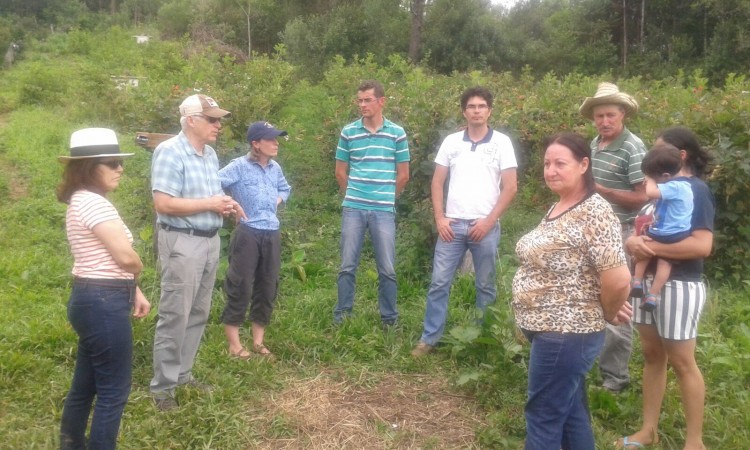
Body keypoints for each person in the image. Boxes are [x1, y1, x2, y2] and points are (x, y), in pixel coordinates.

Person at [512, 132, 632, 450]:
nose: (551, 170)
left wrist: (606, 310)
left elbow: (618, 279)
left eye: (560, 163)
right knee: (571, 413)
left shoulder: (596, 212)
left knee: (543, 417)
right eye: (547, 163)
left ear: (583, 165)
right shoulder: (561, 205)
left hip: (566, 332)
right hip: (554, 331)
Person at [617, 127, 714, 450]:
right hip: (646, 285)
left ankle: (694, 442)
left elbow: (702, 245)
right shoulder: (660, 189)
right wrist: (633, 242)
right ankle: (648, 429)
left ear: (680, 156)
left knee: (683, 361)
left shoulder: (695, 190)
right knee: (652, 354)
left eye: (660, 150)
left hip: (679, 285)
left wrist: (652, 250)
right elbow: (643, 231)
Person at [149, 94, 245, 411]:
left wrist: (227, 203)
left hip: (209, 240)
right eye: (212, 119)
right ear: (191, 120)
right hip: (182, 241)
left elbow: (211, 193)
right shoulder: (169, 152)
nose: (218, 125)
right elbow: (163, 204)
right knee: (175, 315)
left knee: (198, 312)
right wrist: (210, 204)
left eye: (219, 119)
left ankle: (182, 375)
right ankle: (163, 390)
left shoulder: (210, 154)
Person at [57, 128, 151, 449]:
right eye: (111, 163)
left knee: (86, 383)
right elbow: (125, 257)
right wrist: (138, 267)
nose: (120, 169)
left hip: (91, 298)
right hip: (103, 302)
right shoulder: (94, 204)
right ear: (88, 167)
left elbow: (101, 260)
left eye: (119, 162)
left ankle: (70, 443)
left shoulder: (82, 201)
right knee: (114, 391)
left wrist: (134, 290)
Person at [411, 86, 518, 357]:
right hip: (452, 226)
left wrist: (489, 221)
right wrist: (440, 219)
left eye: (482, 106)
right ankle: (429, 339)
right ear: (464, 111)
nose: (477, 111)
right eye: (472, 106)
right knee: (439, 283)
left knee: (485, 285)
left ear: (489, 111)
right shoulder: (451, 142)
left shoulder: (502, 143)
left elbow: (510, 187)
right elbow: (437, 181)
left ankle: (483, 339)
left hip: (485, 226)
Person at [579, 82, 648, 392]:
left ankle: (615, 379)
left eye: (610, 115)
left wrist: (603, 191)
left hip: (621, 234)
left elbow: (643, 197)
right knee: (591, 297)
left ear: (622, 114)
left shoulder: (633, 147)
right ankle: (592, 363)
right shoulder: (595, 144)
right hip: (592, 232)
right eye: (599, 116)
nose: (604, 122)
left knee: (617, 302)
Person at [333, 80, 410, 326]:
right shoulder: (349, 132)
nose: (363, 104)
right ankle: (342, 317)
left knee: (387, 268)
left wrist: (387, 197)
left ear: (381, 101)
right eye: (360, 100)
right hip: (353, 207)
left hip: (383, 209)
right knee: (347, 265)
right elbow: (340, 172)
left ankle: (389, 319)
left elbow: (404, 174)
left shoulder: (396, 133)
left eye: (368, 100)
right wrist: (353, 195)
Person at [219, 121, 291, 359]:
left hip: (271, 232)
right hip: (247, 232)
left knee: (267, 285)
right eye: (270, 139)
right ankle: (234, 345)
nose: (276, 143)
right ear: (256, 144)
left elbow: (285, 189)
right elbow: (212, 183)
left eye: (276, 138)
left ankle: (258, 342)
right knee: (240, 285)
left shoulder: (275, 168)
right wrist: (231, 204)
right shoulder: (238, 166)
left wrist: (277, 201)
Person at [630, 143, 694, 312]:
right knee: (665, 263)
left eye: (652, 177)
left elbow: (650, 193)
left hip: (666, 233)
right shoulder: (686, 186)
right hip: (678, 233)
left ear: (666, 175)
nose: (649, 180)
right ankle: (652, 295)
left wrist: (650, 181)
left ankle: (636, 281)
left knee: (645, 248)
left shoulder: (675, 186)